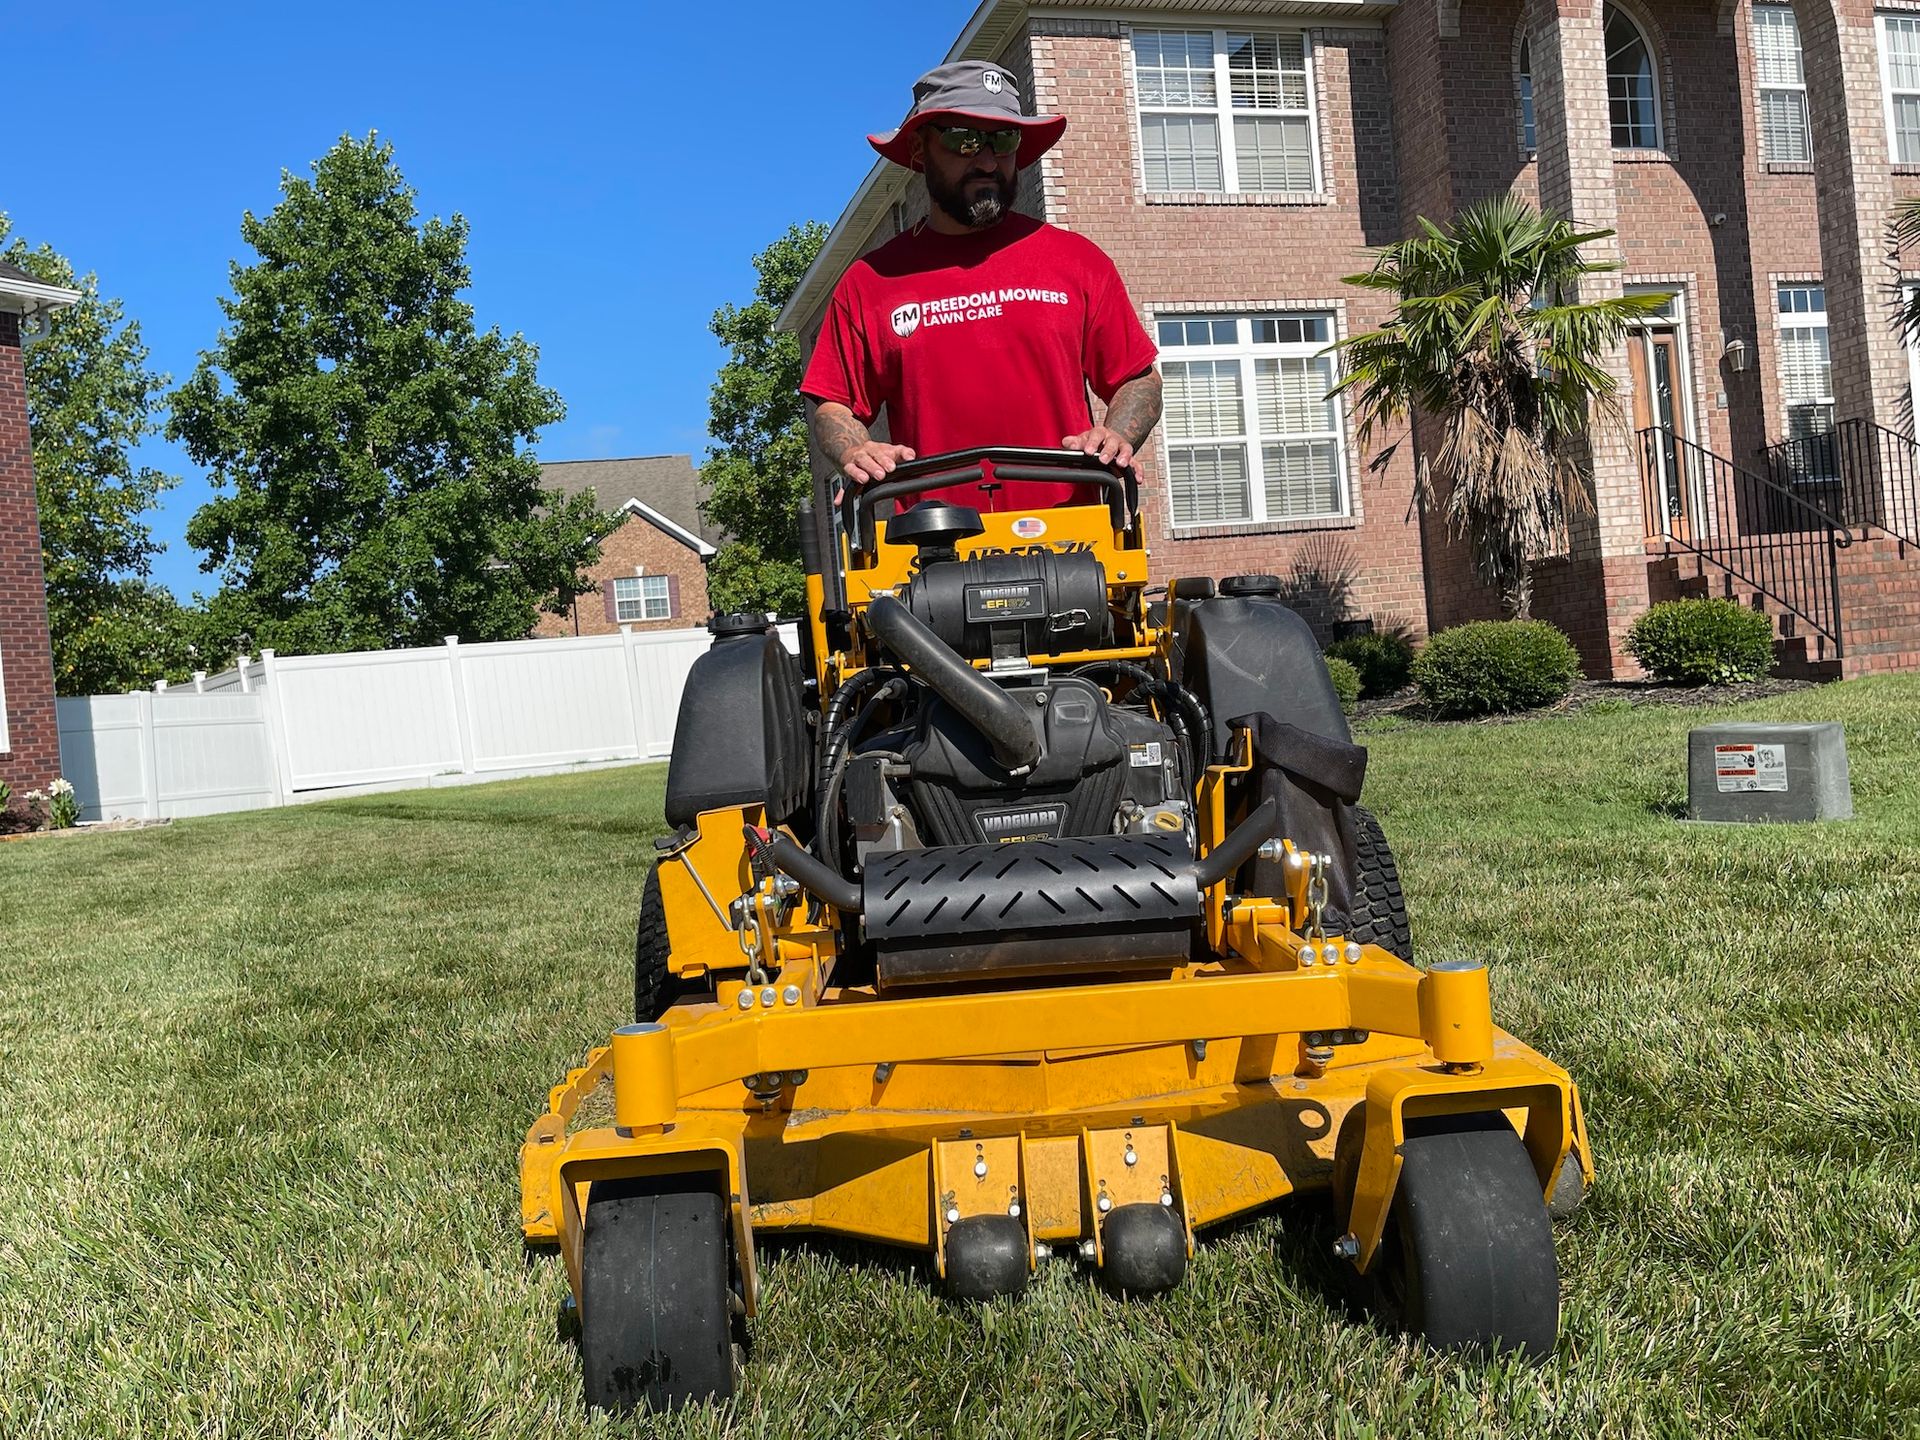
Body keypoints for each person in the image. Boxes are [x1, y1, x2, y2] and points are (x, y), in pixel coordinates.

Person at [801, 59, 1163, 511]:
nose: (988, 161)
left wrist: (1117, 436)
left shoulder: (1076, 262)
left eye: (1003, 139)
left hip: (1075, 542)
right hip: (933, 552)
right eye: (964, 140)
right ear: (919, 149)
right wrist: (855, 451)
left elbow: (1138, 378)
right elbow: (834, 405)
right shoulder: (870, 283)